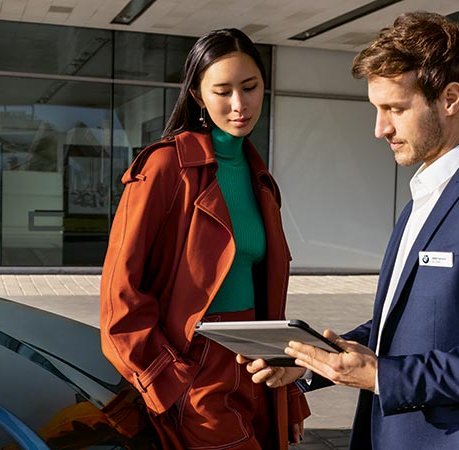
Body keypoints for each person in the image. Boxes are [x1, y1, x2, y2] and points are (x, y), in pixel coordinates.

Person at [244, 11, 459, 450]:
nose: (380, 128)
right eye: (377, 109)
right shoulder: (423, 197)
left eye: (395, 108)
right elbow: (401, 326)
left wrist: (383, 376)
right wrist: (316, 360)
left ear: (450, 99)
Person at [100, 28, 310, 450]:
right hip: (193, 369)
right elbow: (119, 297)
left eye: (250, 87)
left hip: (258, 367)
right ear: (197, 95)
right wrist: (170, 383)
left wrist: (287, 391)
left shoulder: (260, 179)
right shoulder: (164, 168)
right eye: (223, 91)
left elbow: (266, 294)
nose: (239, 104)